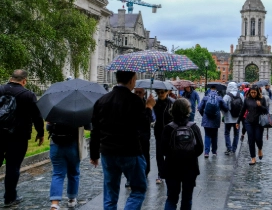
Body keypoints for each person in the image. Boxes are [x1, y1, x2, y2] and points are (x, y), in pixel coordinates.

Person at [89, 70, 155, 210]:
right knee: (138, 189)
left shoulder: (102, 101)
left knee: (110, 193)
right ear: (131, 80)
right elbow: (143, 125)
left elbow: (95, 130)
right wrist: (149, 107)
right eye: (135, 79)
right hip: (130, 151)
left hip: (108, 151)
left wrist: (94, 154)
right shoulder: (134, 101)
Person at [0, 69, 44, 207]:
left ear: (11, 78)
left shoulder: (0, 89)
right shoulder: (28, 95)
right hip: (18, 136)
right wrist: (40, 132)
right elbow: (37, 116)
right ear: (24, 81)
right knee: (13, 167)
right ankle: (10, 198)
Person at [161, 98, 203, 210]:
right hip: (190, 167)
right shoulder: (193, 127)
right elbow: (200, 148)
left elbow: (163, 149)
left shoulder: (168, 128)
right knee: (187, 198)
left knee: (171, 198)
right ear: (187, 110)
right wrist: (189, 155)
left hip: (171, 167)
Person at [48, 122, 89, 210]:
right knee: (74, 172)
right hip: (73, 144)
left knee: (57, 174)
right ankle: (72, 199)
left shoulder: (55, 110)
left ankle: (54, 204)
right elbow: (88, 126)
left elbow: (48, 127)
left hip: (56, 144)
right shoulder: (78, 110)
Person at [236, 85, 267, 165]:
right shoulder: (247, 99)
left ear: (257, 92)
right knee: (251, 139)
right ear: (249, 92)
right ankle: (253, 157)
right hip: (249, 122)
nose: (253, 94)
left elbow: (266, 111)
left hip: (259, 123)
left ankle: (260, 148)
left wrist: (260, 106)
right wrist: (238, 121)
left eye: (254, 92)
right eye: (252, 92)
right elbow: (242, 111)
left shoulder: (262, 99)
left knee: (258, 138)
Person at [198, 85, 228, 158]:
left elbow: (199, 108)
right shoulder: (219, 98)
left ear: (210, 89)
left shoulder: (205, 98)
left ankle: (206, 152)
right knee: (214, 135)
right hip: (216, 119)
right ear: (216, 90)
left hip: (206, 119)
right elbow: (226, 108)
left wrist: (203, 115)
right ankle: (214, 151)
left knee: (207, 135)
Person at [153, 88, 176, 184]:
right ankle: (160, 173)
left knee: (169, 153)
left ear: (167, 92)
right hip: (158, 131)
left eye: (162, 92)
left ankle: (168, 171)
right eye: (158, 93)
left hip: (169, 131)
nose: (160, 94)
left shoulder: (172, 103)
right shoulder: (154, 102)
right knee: (159, 154)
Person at [222, 82, 243, 155]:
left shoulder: (226, 96)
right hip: (237, 119)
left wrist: (224, 114)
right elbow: (243, 107)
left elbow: (222, 106)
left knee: (227, 133)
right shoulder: (240, 95)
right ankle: (234, 149)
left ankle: (229, 148)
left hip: (228, 118)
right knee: (236, 134)